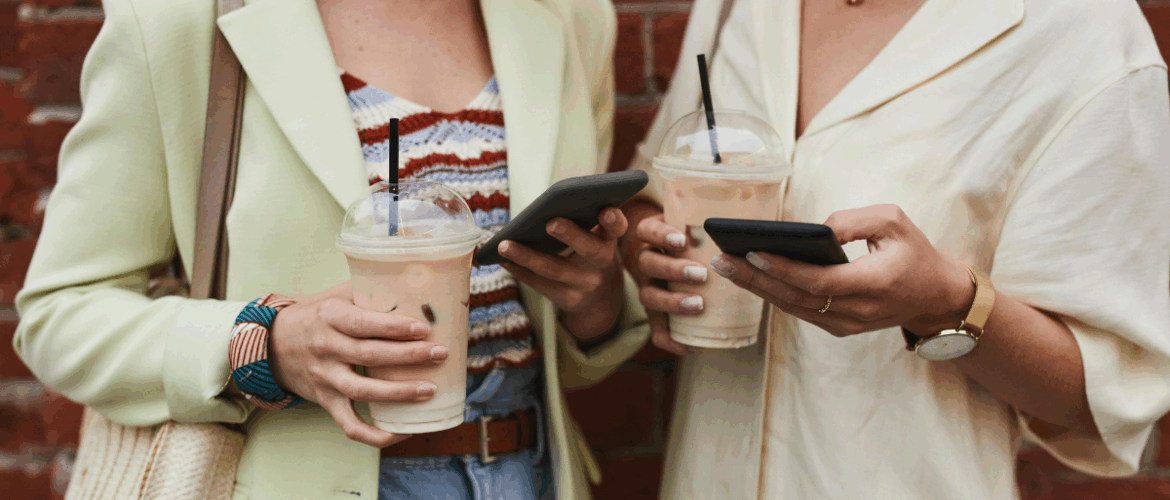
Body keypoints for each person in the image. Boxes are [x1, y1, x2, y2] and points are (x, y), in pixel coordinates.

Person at [13, 0, 649, 498]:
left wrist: (593, 301)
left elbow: (561, 356)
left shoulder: (571, 17)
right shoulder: (181, 20)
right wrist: (265, 345)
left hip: (526, 472)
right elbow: (59, 314)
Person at [622, 0, 1170, 498]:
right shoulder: (735, 7)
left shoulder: (1083, 31)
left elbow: (1100, 396)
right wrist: (651, 255)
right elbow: (653, 193)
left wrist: (946, 305)